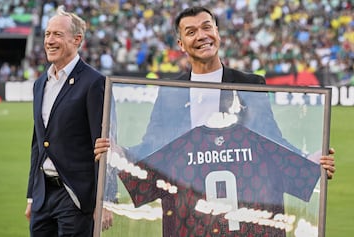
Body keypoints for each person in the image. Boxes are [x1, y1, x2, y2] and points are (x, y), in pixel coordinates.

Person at [95, 6, 335, 176]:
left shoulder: (250, 85)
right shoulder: (170, 92)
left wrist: (308, 161)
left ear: (217, 32)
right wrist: (120, 152)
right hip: (187, 206)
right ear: (180, 45)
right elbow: (152, 147)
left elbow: (270, 139)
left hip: (242, 204)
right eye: (191, 32)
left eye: (207, 27)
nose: (202, 36)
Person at [24, 6, 114, 236]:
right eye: (47, 34)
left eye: (57, 34)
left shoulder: (95, 83)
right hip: (43, 197)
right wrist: (32, 195)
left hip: (75, 198)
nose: (49, 40)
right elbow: (38, 143)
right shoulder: (40, 83)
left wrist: (105, 201)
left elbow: (105, 146)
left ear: (77, 40)